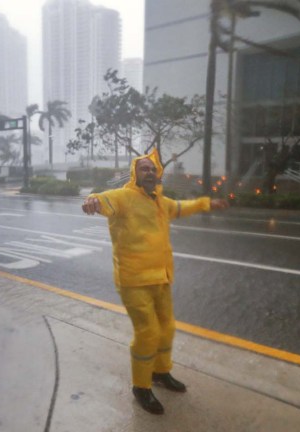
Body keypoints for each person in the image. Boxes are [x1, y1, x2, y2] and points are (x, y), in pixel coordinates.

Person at [82, 149, 229, 415]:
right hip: (133, 280)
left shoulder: (161, 201)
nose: (149, 172)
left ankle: (161, 372)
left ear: (158, 173)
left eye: (153, 169)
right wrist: (92, 200)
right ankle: (141, 386)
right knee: (147, 332)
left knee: (167, 328)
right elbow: (102, 200)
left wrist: (208, 203)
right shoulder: (124, 197)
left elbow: (183, 207)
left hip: (161, 277)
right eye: (144, 169)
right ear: (134, 173)